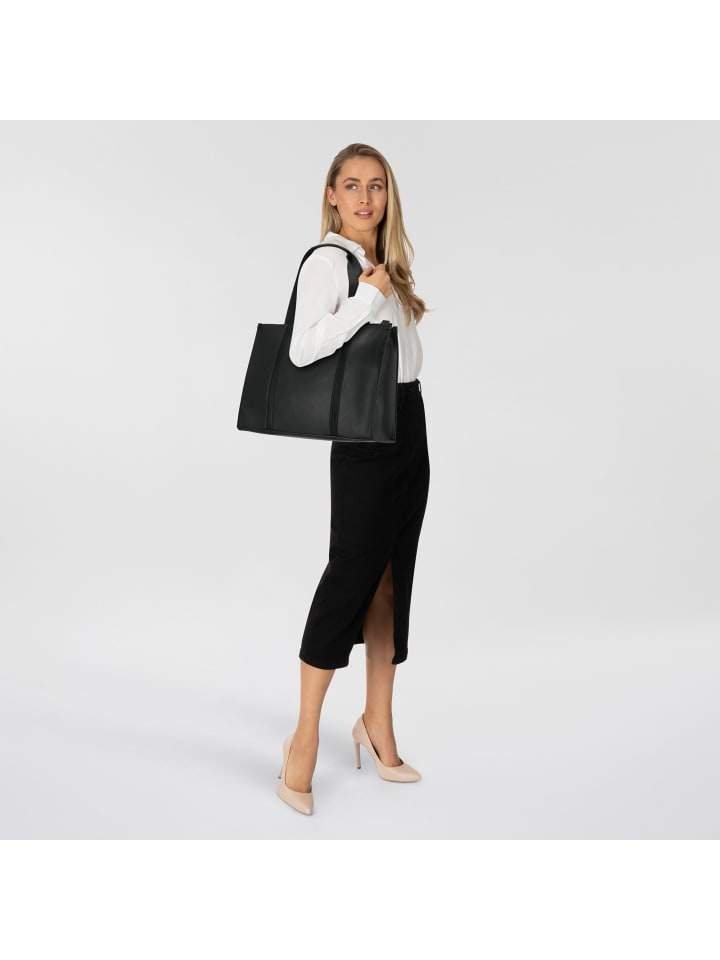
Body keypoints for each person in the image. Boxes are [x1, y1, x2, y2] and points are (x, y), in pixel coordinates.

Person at [276, 143, 431, 815]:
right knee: (350, 577)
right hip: (366, 436)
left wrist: (382, 288)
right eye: (352, 185)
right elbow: (302, 348)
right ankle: (304, 740)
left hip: (409, 422)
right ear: (332, 195)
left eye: (376, 185)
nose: (365, 198)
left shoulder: (384, 265)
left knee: (393, 576)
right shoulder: (328, 262)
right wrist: (368, 298)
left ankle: (377, 724)